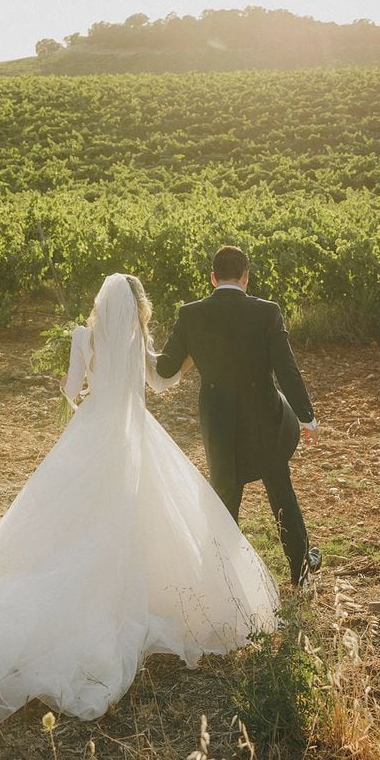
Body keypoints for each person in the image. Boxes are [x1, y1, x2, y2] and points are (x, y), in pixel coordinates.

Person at [0, 273, 278, 726]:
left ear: (100, 303)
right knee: (148, 514)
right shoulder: (138, 337)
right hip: (135, 435)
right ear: (138, 306)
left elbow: (71, 389)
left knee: (69, 513)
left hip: (93, 431)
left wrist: (80, 387)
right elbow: (161, 384)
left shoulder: (85, 335)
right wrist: (184, 365)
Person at [155, 246, 321, 587]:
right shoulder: (267, 312)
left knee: (224, 499)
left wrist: (133, 342)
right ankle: (301, 571)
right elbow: (286, 370)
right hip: (265, 417)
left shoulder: (190, 314)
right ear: (246, 277)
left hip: (218, 421)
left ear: (212, 278)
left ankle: (220, 583)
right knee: (281, 492)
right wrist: (306, 417)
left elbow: (165, 367)